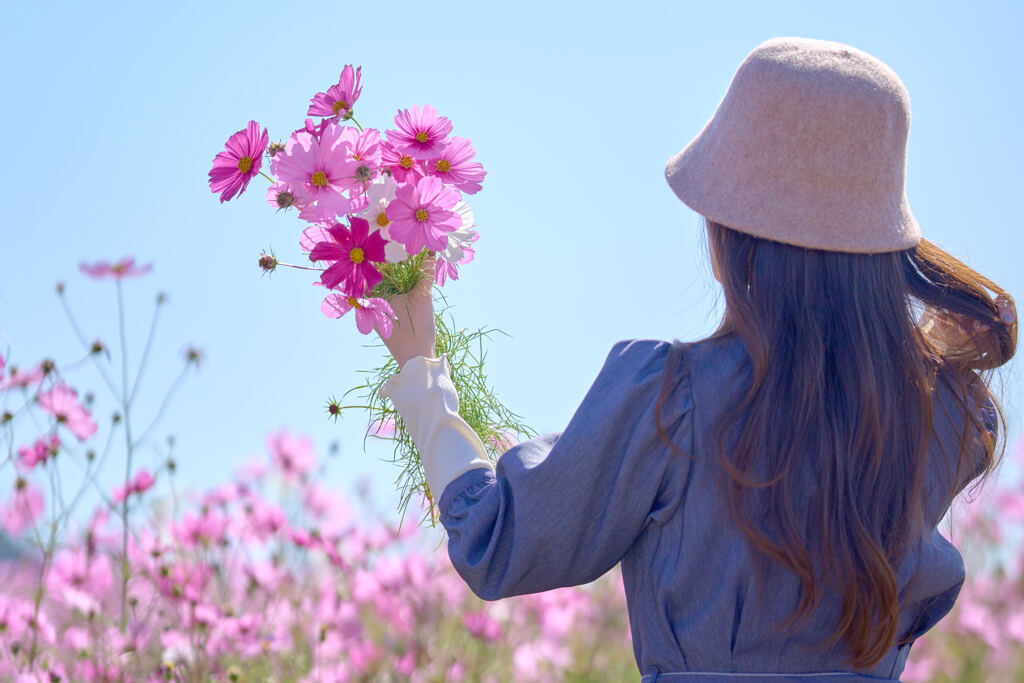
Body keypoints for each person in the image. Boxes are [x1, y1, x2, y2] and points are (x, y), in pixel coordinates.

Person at [378, 37, 1018, 682]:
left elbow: (497, 541)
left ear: (730, 241)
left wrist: (422, 373)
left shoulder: (672, 399)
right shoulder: (943, 416)